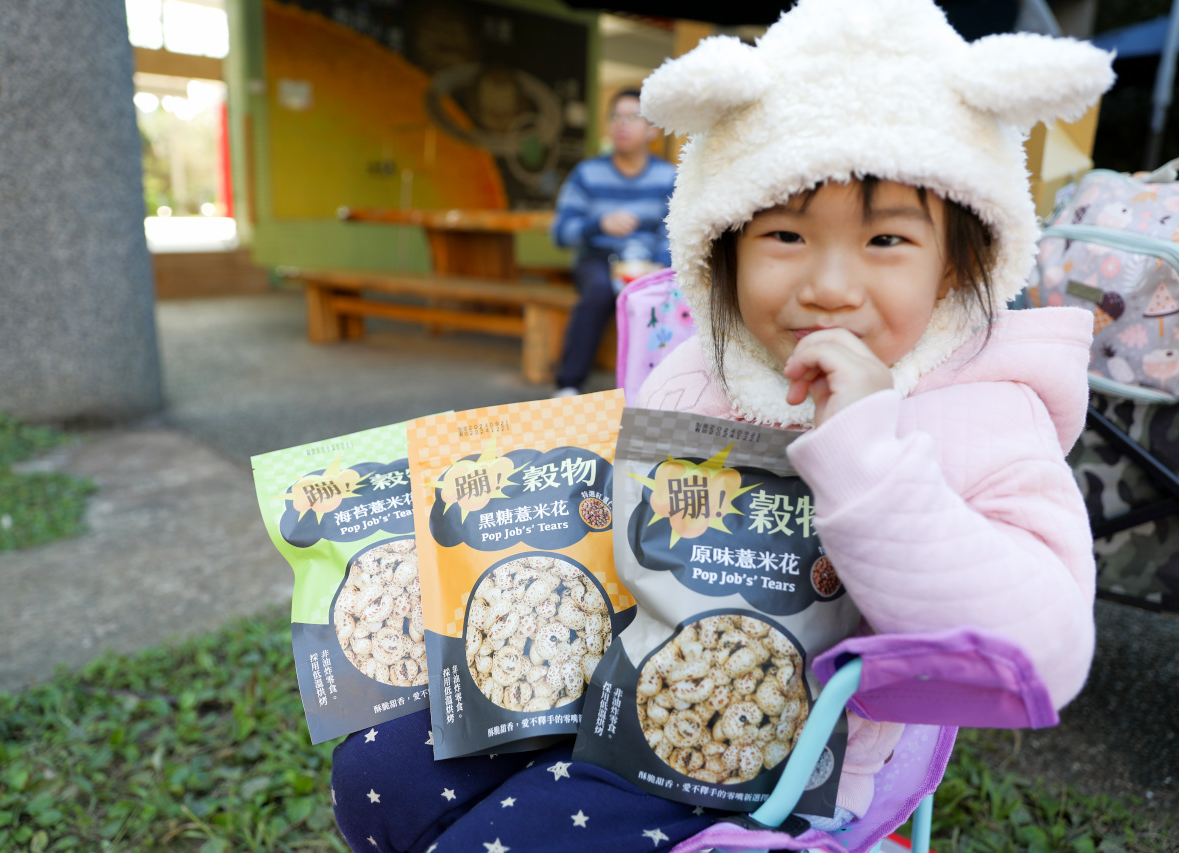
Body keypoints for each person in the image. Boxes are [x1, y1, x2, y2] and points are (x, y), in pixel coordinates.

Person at [327, 1, 1115, 850]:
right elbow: (609, 521)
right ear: (722, 247)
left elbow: (1043, 652)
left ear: (961, 260)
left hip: (779, 768)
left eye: (886, 238)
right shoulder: (698, 367)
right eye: (784, 233)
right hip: (608, 682)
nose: (829, 284)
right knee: (377, 774)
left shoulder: (986, 408)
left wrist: (867, 450)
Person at [549, 88, 676, 397]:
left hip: (652, 262)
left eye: (633, 117)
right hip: (597, 257)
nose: (622, 124)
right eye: (615, 117)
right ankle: (568, 384)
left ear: (652, 130)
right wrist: (599, 224)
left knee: (667, 299)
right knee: (598, 292)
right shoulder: (587, 173)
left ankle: (665, 389)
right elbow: (560, 232)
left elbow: (676, 233)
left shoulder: (668, 176)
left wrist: (658, 262)